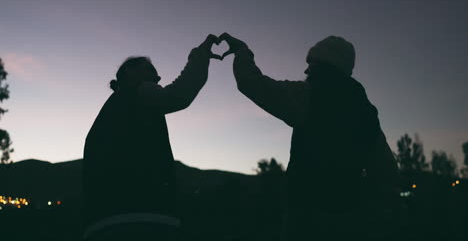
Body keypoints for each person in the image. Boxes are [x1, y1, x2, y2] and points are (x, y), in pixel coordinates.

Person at [220, 33, 402, 240]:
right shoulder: (366, 112)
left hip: (305, 218)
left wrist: (242, 51)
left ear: (324, 65)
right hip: (349, 220)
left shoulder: (309, 96)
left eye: (311, 63)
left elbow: (251, 83)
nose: (306, 69)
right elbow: (386, 171)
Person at [83, 35, 222, 241]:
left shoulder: (109, 113)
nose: (157, 80)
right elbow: (180, 95)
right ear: (129, 72)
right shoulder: (138, 92)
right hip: (140, 219)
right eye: (151, 72)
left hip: (102, 221)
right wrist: (200, 56)